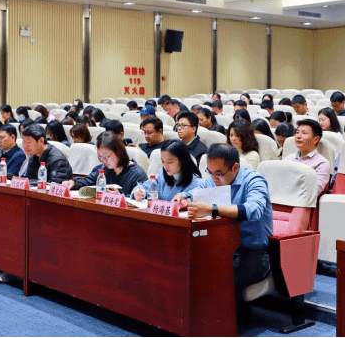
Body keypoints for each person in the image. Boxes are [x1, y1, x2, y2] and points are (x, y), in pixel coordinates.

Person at [176, 144, 272, 329]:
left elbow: (254, 210)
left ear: (235, 167)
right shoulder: (213, 179)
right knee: (193, 271)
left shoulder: (254, 180)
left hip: (253, 252)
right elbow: (194, 191)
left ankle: (232, 325)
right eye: (210, 172)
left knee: (223, 279)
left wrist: (212, 209)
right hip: (222, 247)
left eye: (218, 174)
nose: (213, 178)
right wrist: (183, 197)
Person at [65, 132, 148, 195]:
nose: (104, 161)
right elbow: (87, 182)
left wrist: (121, 197)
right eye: (100, 157)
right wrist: (73, 183)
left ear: (119, 152)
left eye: (106, 157)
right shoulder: (103, 169)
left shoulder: (138, 174)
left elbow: (142, 200)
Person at [132, 140, 205, 202]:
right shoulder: (162, 173)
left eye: (170, 162)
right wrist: (140, 191)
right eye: (163, 161)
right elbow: (148, 186)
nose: (165, 166)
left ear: (182, 161)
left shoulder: (196, 183)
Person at [283, 119, 330, 193]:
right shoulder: (288, 158)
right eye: (297, 132)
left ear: (316, 139)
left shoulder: (322, 163)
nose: (298, 136)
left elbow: (314, 191)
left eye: (304, 133)